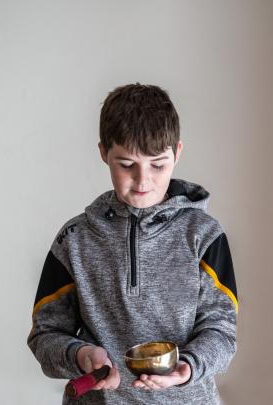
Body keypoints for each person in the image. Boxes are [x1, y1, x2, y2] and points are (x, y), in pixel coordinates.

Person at [27, 83, 238, 404]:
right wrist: (81, 354)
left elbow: (222, 331)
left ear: (177, 153)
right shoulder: (74, 240)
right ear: (104, 153)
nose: (143, 180)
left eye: (158, 164)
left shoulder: (205, 235)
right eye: (127, 164)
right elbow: (45, 335)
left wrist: (189, 366)